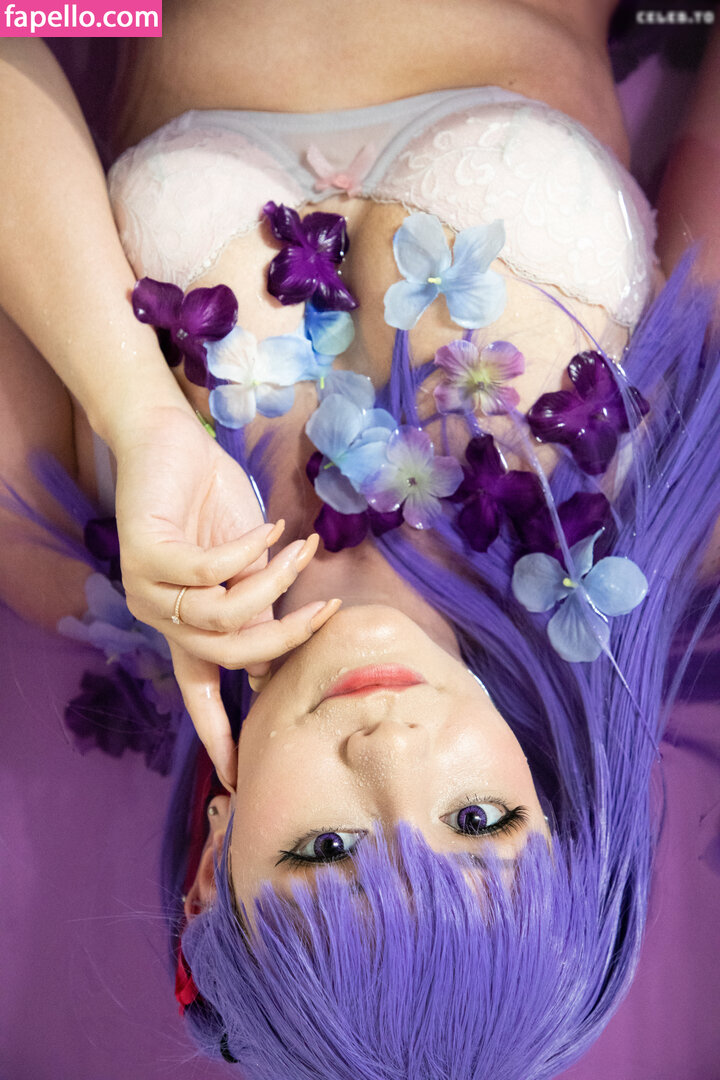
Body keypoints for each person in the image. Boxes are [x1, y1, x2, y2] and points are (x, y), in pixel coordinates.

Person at [0, 5, 718, 1075]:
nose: (391, 748)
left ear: (211, 874)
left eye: (325, 848)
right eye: (480, 820)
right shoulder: (657, 518)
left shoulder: (61, 537)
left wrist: (137, 413)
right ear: (553, 817)